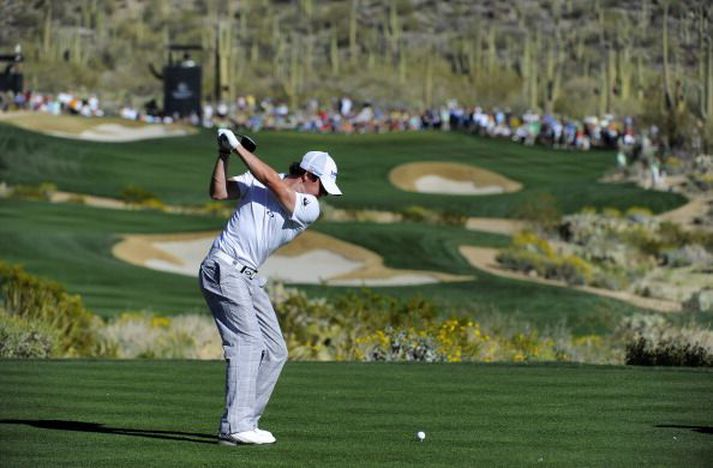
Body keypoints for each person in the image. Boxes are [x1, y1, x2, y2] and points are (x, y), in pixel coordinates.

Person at [199, 128, 342, 446]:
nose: (324, 195)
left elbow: (272, 183)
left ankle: (245, 421)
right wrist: (223, 154)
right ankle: (235, 425)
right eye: (322, 186)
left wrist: (236, 147)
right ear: (307, 175)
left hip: (248, 276)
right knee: (248, 344)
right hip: (223, 266)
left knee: (275, 351)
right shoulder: (265, 178)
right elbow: (220, 193)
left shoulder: (308, 207)